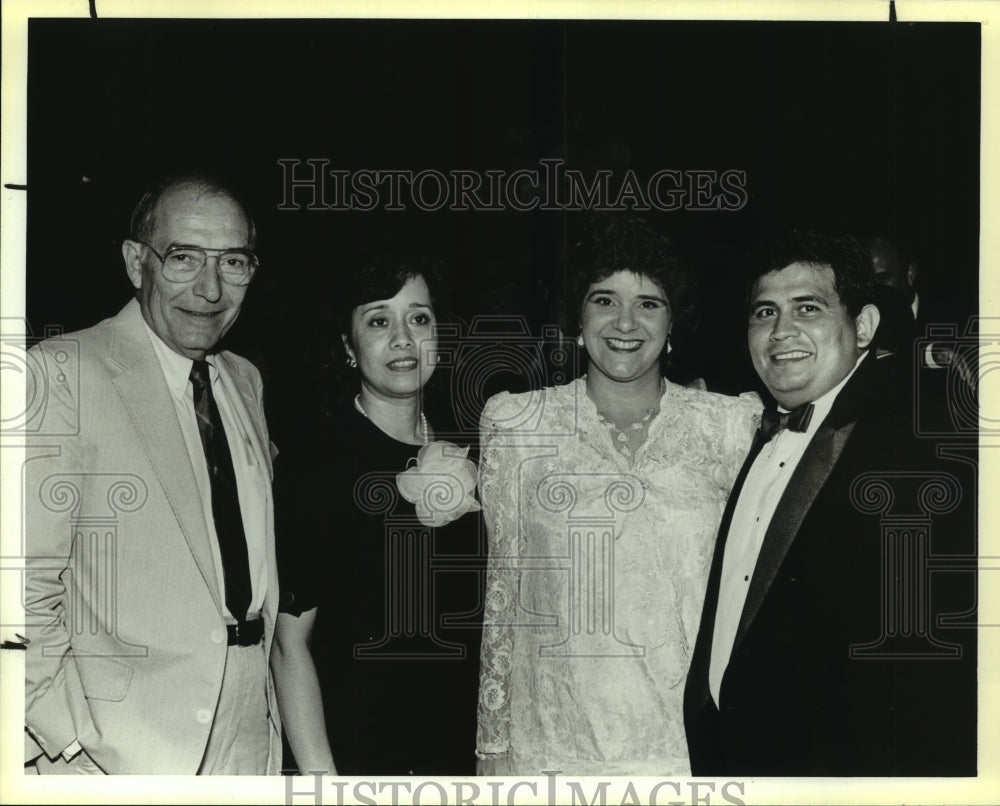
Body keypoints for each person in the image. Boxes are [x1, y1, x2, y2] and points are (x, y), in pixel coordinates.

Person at [475, 217, 762, 776]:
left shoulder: (729, 426)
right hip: (551, 748)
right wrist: (493, 747)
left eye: (649, 303)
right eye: (604, 299)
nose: (625, 321)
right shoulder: (518, 422)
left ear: (674, 320)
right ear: (578, 320)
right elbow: (503, 591)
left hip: (688, 751)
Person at [684, 230, 977, 776]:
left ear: (863, 326)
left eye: (808, 308)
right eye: (764, 312)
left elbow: (934, 669)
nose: (781, 331)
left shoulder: (922, 440)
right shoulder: (754, 430)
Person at [23, 173, 281, 774]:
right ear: (137, 261)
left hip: (249, 727)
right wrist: (70, 739)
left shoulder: (244, 379)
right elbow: (20, 586)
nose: (210, 289)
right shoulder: (61, 372)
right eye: (183, 258)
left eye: (233, 262)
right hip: (114, 746)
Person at [272, 252, 483, 776]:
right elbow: (288, 646)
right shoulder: (315, 466)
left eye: (419, 318)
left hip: (458, 760)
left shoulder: (478, 452)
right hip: (354, 760)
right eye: (378, 321)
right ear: (347, 346)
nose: (403, 339)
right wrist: (327, 785)